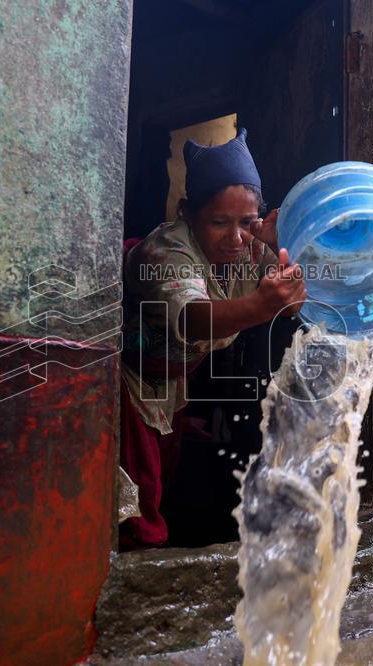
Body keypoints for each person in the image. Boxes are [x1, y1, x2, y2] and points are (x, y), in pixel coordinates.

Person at [119, 128, 307, 548]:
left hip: (176, 381)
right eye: (219, 223)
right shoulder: (165, 251)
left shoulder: (252, 250)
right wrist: (261, 306)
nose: (236, 238)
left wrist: (288, 248)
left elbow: (295, 303)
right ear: (188, 213)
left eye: (246, 222)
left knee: (163, 480)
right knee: (133, 501)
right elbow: (193, 320)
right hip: (128, 383)